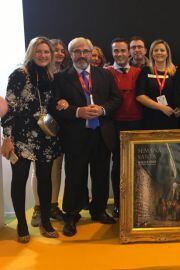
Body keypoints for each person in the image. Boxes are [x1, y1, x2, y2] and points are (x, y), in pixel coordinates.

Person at [54, 37, 121, 237]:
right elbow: (55, 106)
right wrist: (77, 111)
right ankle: (72, 214)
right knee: (75, 176)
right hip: (76, 135)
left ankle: (98, 210)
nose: (82, 55)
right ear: (71, 54)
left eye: (85, 51)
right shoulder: (60, 78)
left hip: (101, 133)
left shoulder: (105, 75)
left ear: (92, 54)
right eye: (77, 51)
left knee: (100, 175)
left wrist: (102, 109)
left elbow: (116, 98)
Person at [1, 37, 61, 243]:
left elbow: (51, 105)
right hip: (21, 137)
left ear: (51, 55)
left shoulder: (51, 76)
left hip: (45, 136)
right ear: (31, 53)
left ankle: (45, 221)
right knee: (19, 180)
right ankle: (22, 224)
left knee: (45, 181)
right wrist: (7, 138)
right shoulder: (19, 74)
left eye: (46, 52)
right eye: (39, 51)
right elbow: (8, 109)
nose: (43, 55)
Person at [30, 38, 70, 227]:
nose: (60, 53)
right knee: (39, 171)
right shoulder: (36, 73)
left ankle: (53, 205)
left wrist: (64, 102)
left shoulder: (65, 74)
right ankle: (38, 208)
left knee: (57, 167)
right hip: (38, 128)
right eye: (56, 49)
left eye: (62, 50)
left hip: (58, 128)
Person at [106, 37, 143, 217]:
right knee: (118, 165)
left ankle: (138, 202)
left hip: (137, 122)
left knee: (138, 165)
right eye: (116, 51)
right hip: (114, 124)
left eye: (123, 51)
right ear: (112, 53)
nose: (119, 54)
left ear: (129, 53)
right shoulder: (105, 73)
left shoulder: (138, 72)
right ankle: (119, 203)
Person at [136, 39, 180, 130]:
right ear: (152, 53)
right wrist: (162, 107)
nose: (159, 52)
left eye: (162, 50)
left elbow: (179, 94)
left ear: (167, 53)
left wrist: (179, 108)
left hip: (170, 117)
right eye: (156, 50)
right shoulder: (145, 71)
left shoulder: (175, 72)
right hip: (150, 118)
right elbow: (140, 96)